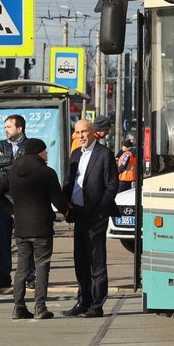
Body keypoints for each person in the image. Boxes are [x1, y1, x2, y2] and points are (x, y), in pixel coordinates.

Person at [0, 138, 70, 320]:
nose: (47, 154)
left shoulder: (13, 172)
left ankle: (19, 307)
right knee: (42, 266)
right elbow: (58, 200)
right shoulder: (47, 173)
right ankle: (40, 308)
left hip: (21, 227)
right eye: (45, 151)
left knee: (21, 268)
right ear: (38, 152)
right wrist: (68, 213)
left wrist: (11, 210)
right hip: (41, 227)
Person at [62, 118, 118, 318]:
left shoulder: (104, 154)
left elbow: (112, 186)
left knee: (96, 261)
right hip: (78, 213)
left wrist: (101, 210)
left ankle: (97, 304)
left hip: (96, 215)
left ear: (93, 132)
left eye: (84, 132)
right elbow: (69, 181)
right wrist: (65, 204)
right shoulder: (76, 154)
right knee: (80, 260)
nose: (81, 136)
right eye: (78, 133)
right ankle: (83, 301)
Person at [0, 114, 30, 289]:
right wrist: (14, 161)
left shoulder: (29, 145)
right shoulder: (2, 145)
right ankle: (4, 277)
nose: (6, 130)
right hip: (4, 198)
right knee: (3, 240)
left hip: (23, 199)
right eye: (5, 127)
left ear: (19, 128)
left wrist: (8, 163)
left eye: (9, 127)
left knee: (27, 239)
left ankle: (30, 276)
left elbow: (29, 165)